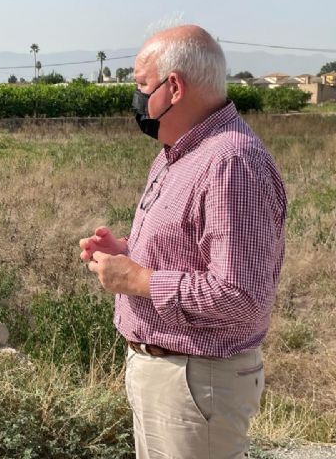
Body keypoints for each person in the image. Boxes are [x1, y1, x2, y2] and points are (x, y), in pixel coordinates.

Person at [80, 25, 287, 458]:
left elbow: (241, 295)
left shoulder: (231, 162)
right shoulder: (178, 152)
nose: (135, 98)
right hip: (172, 375)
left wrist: (137, 279)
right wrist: (126, 254)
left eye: (140, 85)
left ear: (173, 87)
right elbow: (188, 253)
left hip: (196, 381)